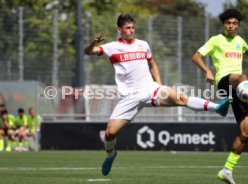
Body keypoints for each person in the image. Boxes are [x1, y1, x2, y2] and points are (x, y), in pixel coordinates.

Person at [85, 14, 230, 176]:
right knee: (110, 133)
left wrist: (159, 84)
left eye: (133, 27)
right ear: (119, 29)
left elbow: (152, 64)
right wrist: (93, 43)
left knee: (180, 98)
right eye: (127, 28)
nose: (131, 31)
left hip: (150, 89)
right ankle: (110, 155)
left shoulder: (143, 45)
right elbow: (88, 52)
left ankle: (217, 107)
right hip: (129, 97)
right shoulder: (111, 47)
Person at [192, 8, 248, 184]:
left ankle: (226, 170)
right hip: (224, 82)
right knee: (242, 76)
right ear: (223, 24)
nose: (231, 26)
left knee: (246, 133)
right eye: (228, 23)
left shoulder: (239, 40)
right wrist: (207, 71)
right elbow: (196, 56)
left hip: (238, 90)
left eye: (234, 23)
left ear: (238, 25)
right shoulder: (216, 40)